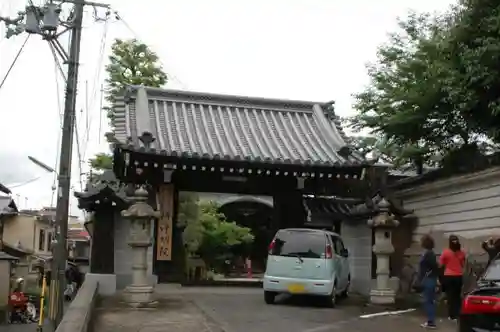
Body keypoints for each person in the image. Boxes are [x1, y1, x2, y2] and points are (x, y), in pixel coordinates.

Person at [439, 235, 465, 320]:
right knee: (457, 296)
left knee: (450, 295)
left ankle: (451, 315)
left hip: (448, 276)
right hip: (458, 276)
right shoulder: (461, 253)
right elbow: (462, 264)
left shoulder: (445, 252)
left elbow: (441, 265)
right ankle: (457, 314)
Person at [419, 234, 439, 329]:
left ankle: (431, 322)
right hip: (430, 279)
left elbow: (433, 267)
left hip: (429, 279)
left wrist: (426, 275)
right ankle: (430, 321)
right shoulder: (429, 253)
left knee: (428, 301)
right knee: (429, 300)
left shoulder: (428, 254)